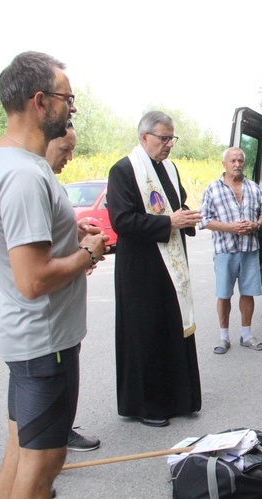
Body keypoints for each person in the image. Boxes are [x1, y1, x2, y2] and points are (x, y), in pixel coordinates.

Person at [0, 51, 107, 498]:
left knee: (19, 452)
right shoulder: (24, 176)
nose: (71, 107)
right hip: (45, 346)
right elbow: (33, 280)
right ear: (40, 101)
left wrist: (67, 231)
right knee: (43, 466)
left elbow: (21, 240)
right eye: (67, 98)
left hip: (28, 341)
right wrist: (88, 253)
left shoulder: (2, 161)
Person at [107, 111, 203, 427]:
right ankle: (147, 405)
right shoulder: (123, 171)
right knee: (146, 334)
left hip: (170, 266)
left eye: (172, 138)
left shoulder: (170, 170)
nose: (169, 145)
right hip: (141, 270)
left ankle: (179, 398)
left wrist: (187, 217)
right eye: (164, 138)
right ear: (144, 137)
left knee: (172, 327)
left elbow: (177, 207)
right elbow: (121, 221)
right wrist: (169, 222)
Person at [45, 120, 102, 453]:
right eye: (65, 149)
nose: (69, 157)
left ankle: (60, 430)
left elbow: (49, 235)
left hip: (64, 314)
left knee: (63, 382)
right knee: (50, 393)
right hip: (49, 321)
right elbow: (34, 268)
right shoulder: (31, 181)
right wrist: (86, 255)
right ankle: (53, 445)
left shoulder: (51, 182)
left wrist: (75, 229)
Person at [199, 147, 262, 354]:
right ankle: (223, 338)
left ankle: (246, 335)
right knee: (224, 294)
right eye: (233, 161)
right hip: (225, 250)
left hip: (250, 249)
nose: (237, 164)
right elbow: (203, 220)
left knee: (248, 293)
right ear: (224, 164)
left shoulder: (254, 188)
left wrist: (255, 226)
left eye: (240, 160)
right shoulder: (212, 189)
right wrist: (230, 227)